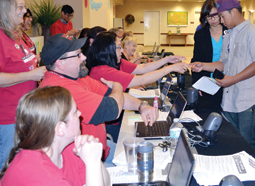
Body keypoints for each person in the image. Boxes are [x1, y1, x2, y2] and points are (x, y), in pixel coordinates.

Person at [39, 33, 158, 166]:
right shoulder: (61, 89)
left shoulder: (78, 77)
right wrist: (118, 86)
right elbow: (113, 109)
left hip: (100, 149)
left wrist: (142, 106)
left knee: (145, 156)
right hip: (84, 162)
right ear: (60, 63)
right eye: (78, 55)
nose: (84, 57)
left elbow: (111, 94)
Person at [191, 0, 255, 159]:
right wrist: (202, 66)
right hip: (229, 98)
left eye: (222, 16)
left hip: (247, 99)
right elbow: (223, 63)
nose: (221, 21)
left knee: (248, 143)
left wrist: (232, 80)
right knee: (234, 142)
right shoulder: (230, 35)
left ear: (234, 12)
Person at [0, 86, 110, 186]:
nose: (80, 113)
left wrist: (93, 158)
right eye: (75, 112)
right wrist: (92, 163)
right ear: (60, 128)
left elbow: (106, 182)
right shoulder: (44, 177)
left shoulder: (68, 147)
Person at [0, 0, 46, 170]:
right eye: (19, 7)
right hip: (9, 115)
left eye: (24, 6)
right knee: (7, 166)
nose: (24, 11)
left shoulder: (17, 35)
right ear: (5, 9)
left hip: (25, 111)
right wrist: (30, 75)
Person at [87, 32, 189, 92]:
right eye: (118, 47)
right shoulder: (103, 71)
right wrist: (170, 68)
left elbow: (143, 68)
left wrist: (167, 60)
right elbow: (142, 80)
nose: (121, 50)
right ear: (107, 50)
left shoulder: (116, 62)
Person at [191, 0, 227, 113]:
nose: (213, 19)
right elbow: (196, 60)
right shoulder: (201, 34)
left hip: (227, 80)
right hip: (208, 82)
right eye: (208, 16)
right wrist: (197, 85)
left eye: (215, 15)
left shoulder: (230, 31)